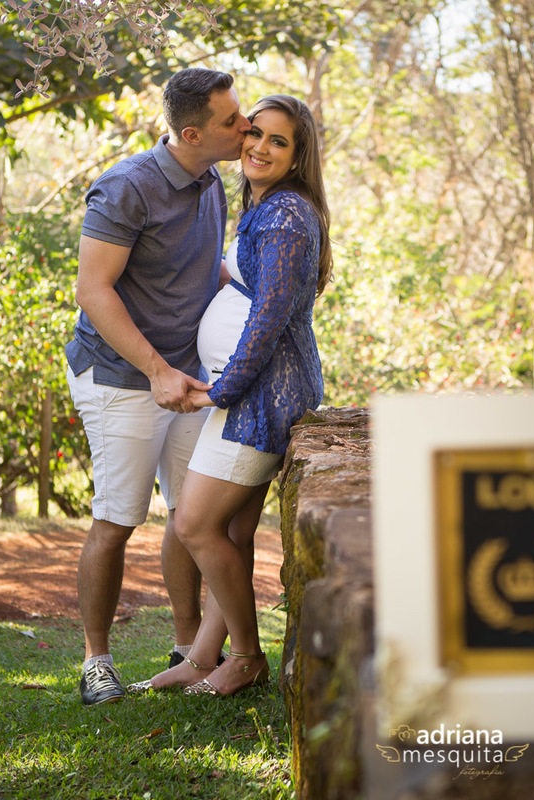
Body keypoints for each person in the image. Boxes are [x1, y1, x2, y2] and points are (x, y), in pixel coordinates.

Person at [127, 94, 331, 697]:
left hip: (259, 401)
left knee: (193, 523)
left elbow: (268, 319)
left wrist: (220, 392)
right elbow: (249, 286)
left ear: (298, 157)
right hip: (246, 397)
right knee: (232, 532)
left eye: (278, 142)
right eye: (254, 135)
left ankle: (245, 656)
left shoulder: (289, 214)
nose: (259, 148)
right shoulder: (263, 207)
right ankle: (201, 656)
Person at [65, 68, 252, 706]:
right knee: (118, 518)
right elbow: (93, 290)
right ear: (193, 132)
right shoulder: (126, 189)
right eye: (233, 121)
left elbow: (204, 268)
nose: (246, 127)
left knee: (189, 515)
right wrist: (156, 371)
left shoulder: (213, 179)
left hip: (187, 377)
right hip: (123, 377)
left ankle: (187, 650)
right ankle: (96, 662)